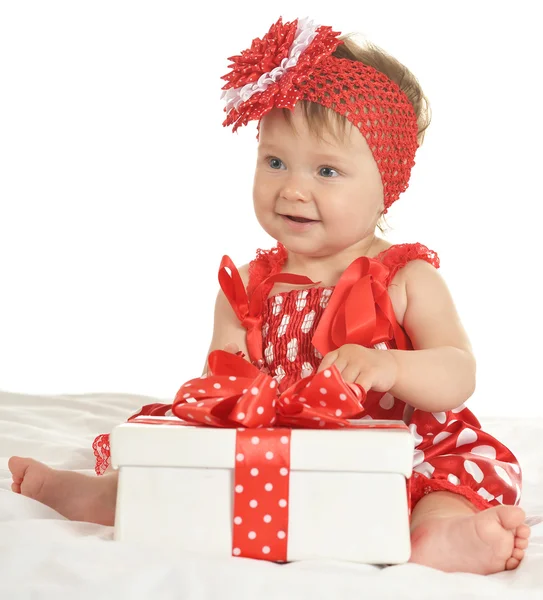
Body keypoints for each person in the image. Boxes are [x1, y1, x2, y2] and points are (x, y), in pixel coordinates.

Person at [9, 16, 530, 574]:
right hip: (276, 444)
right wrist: (235, 394)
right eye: (275, 162)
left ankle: (440, 534)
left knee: (441, 480)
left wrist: (390, 366)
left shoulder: (404, 277)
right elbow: (220, 376)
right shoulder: (250, 288)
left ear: (387, 185)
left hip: (397, 446)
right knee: (183, 466)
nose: (293, 188)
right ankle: (100, 496)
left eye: (327, 170)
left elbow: (457, 372)